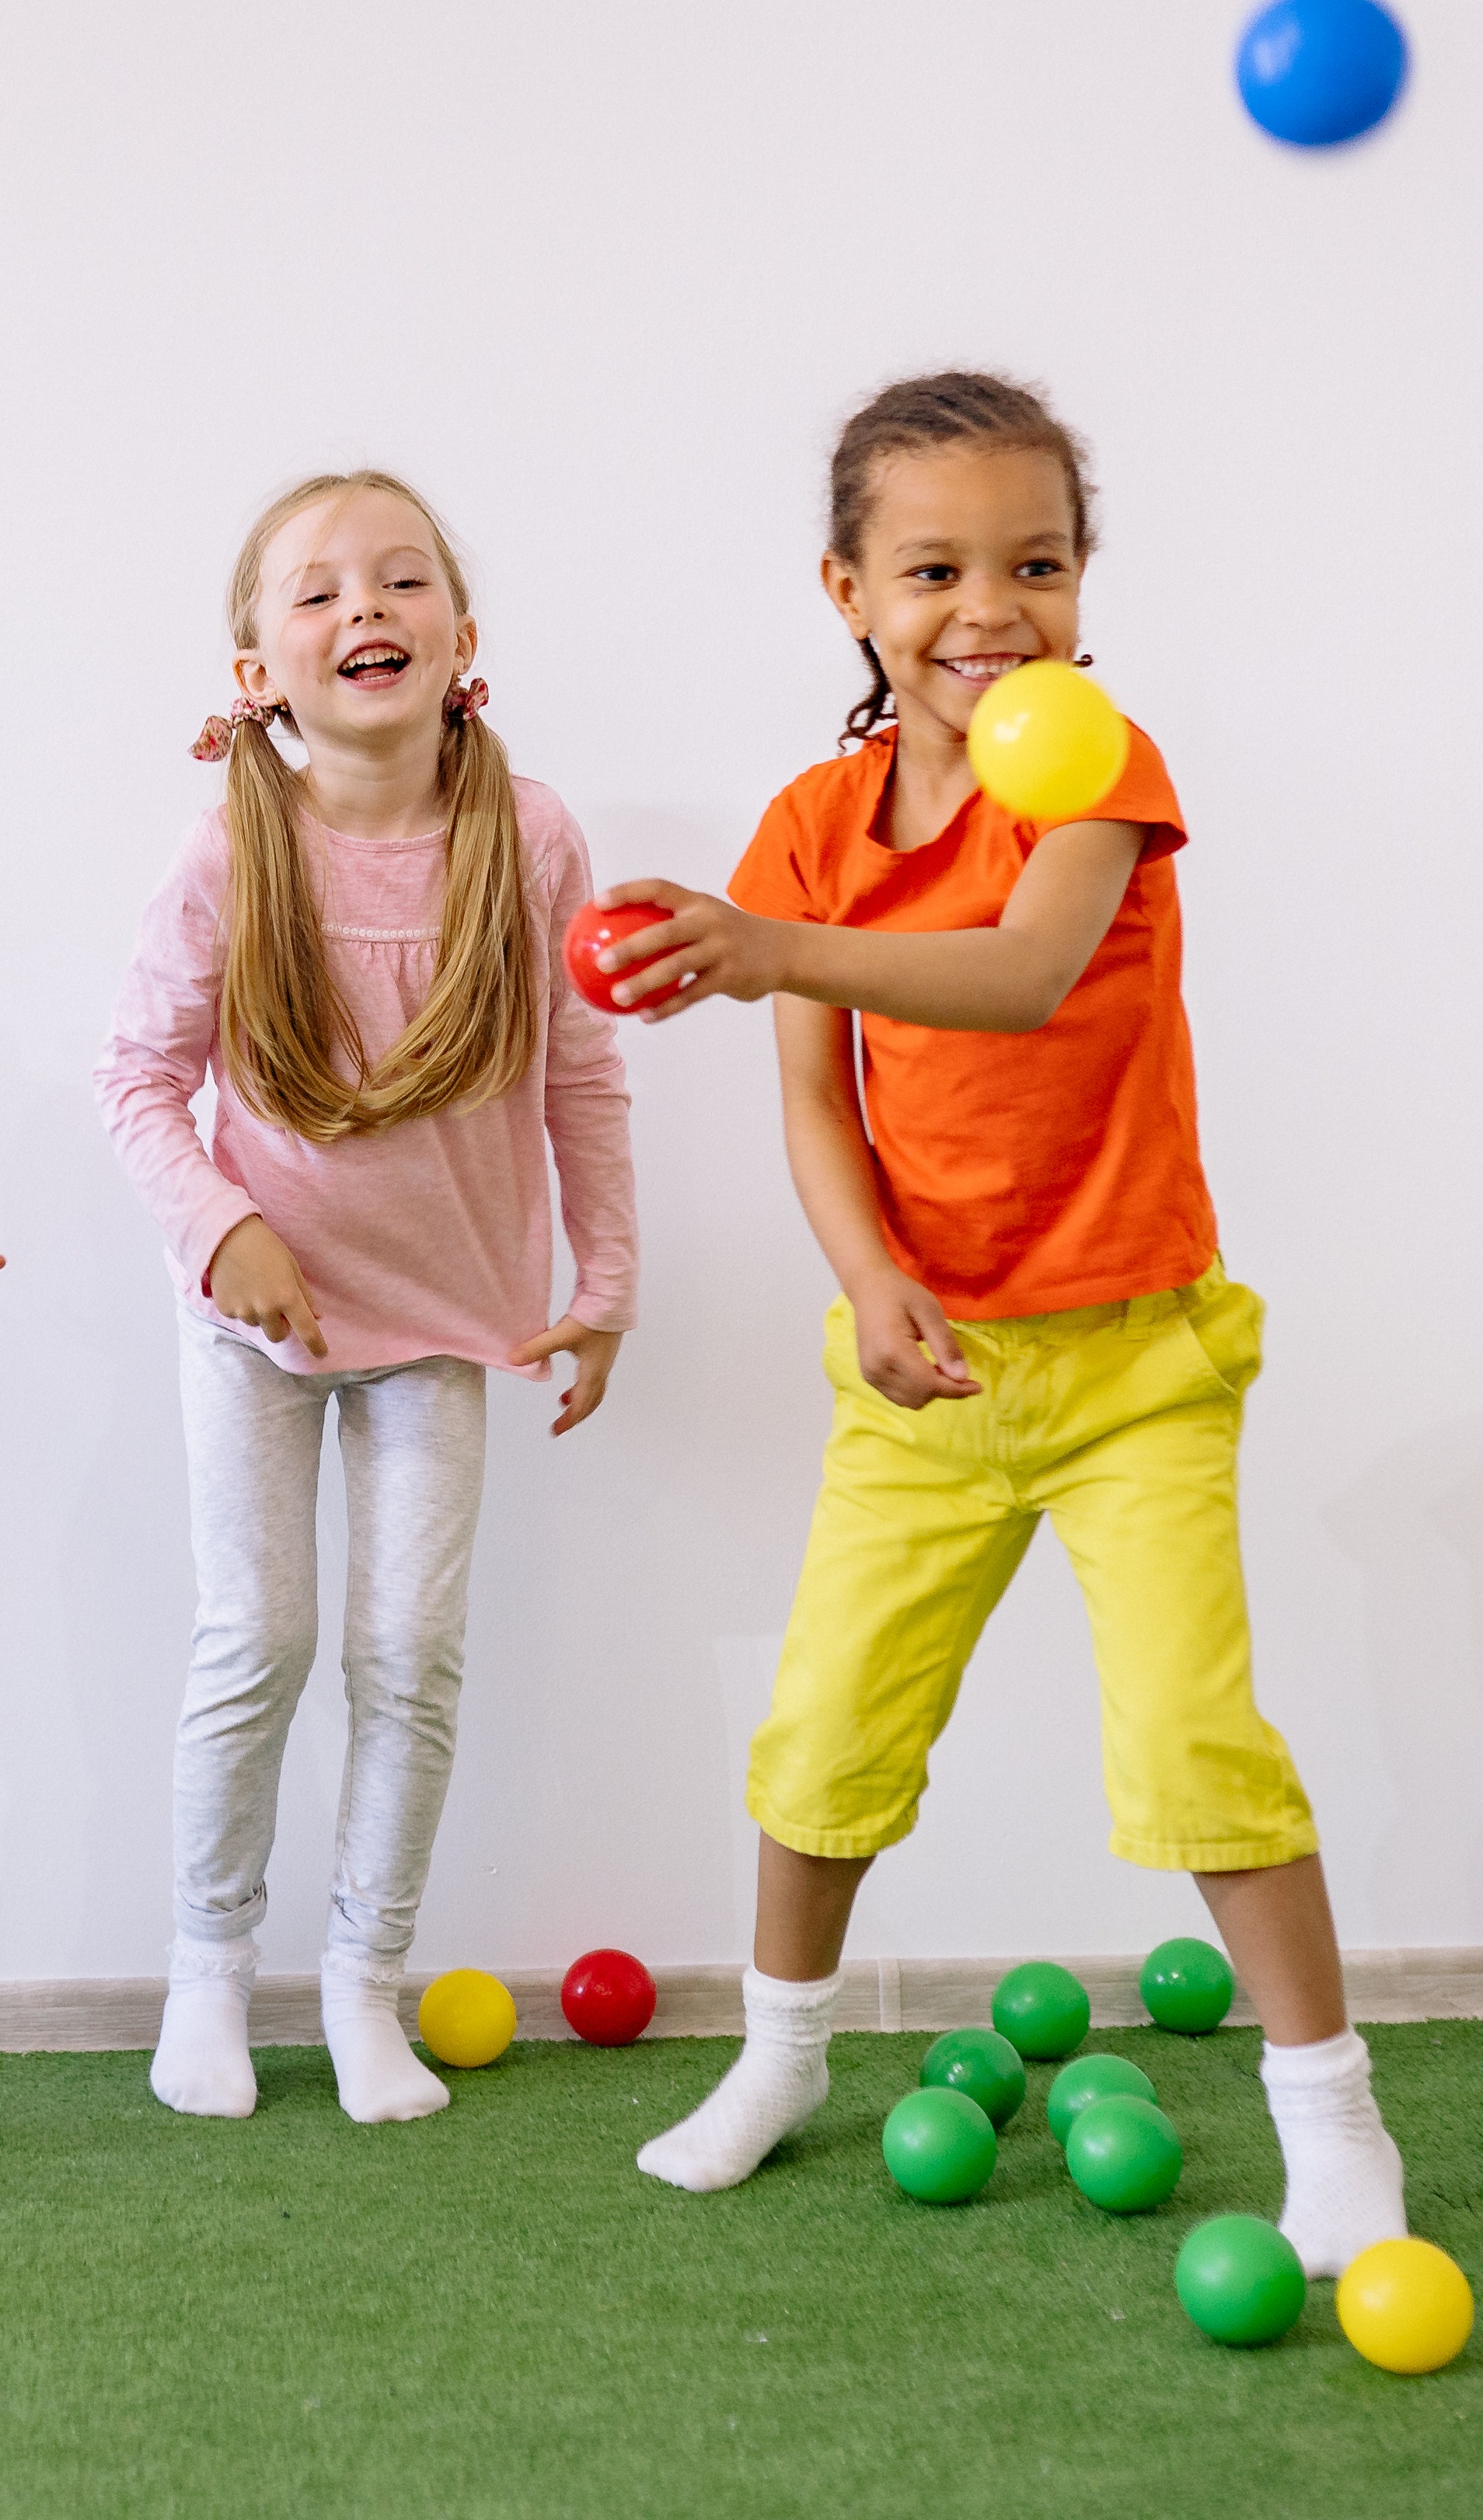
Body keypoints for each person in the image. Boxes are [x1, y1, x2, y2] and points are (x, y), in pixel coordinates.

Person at [595, 370, 1405, 2270]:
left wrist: (764, 941)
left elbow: (1022, 975)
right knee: (823, 1731)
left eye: (1034, 561)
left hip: (1135, 1361)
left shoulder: (1098, 766)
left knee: (1199, 1738)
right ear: (847, 591)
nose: (989, 605)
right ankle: (780, 2052)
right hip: (926, 1366)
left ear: (1082, 579)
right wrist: (868, 1283)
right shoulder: (812, 818)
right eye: (936, 565)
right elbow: (815, 1099)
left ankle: (1330, 2105)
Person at [96, 469, 637, 2123]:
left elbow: (585, 1072)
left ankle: (358, 1983)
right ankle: (207, 1972)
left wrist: (602, 1279)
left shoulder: (528, 834)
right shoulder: (229, 848)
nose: (364, 610)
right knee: (254, 1635)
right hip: (258, 1315)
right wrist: (219, 1231)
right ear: (254, 666)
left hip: (442, 1316)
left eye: (401, 582)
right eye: (318, 593)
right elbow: (136, 1077)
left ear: (462, 639)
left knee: (407, 1650)